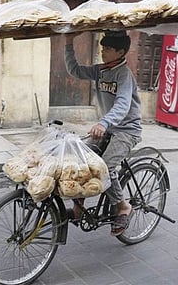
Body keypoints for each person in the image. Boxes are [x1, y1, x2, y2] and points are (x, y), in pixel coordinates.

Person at [63, 30, 142, 236]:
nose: (103, 51)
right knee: (81, 159)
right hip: (108, 128)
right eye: (102, 47)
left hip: (126, 130)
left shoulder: (124, 75)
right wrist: (68, 43)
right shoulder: (101, 70)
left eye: (107, 48)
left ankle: (122, 205)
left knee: (104, 168)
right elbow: (75, 70)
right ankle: (79, 208)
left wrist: (104, 122)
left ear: (120, 52)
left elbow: (123, 104)